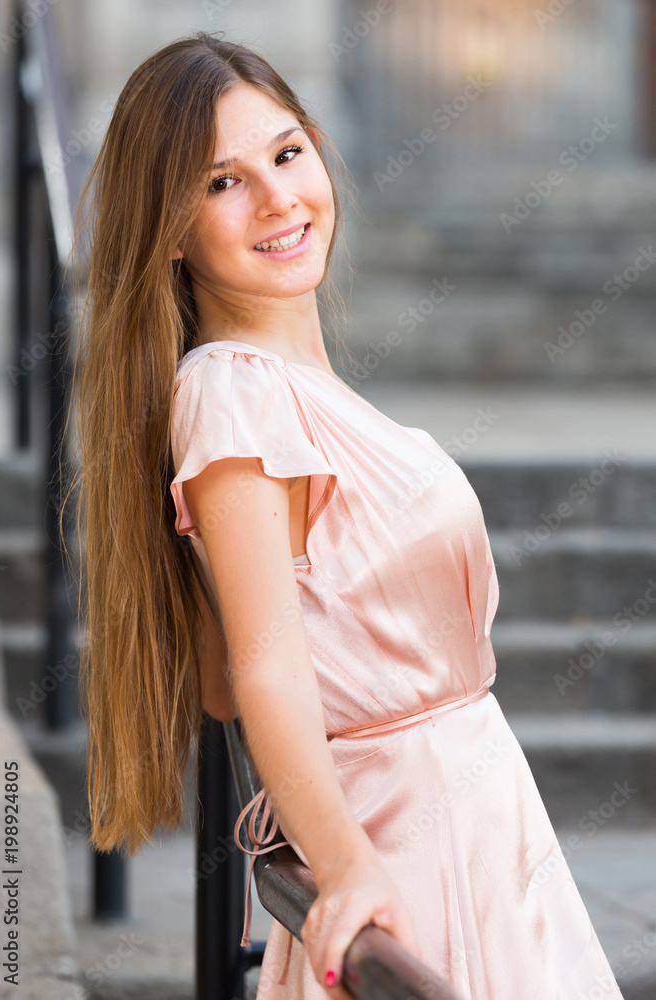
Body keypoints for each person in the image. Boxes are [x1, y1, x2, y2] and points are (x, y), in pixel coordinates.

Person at [68, 30, 625, 1000]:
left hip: (482, 824)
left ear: (319, 148)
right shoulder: (233, 392)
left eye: (285, 153)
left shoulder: (291, 392)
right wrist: (348, 861)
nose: (279, 197)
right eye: (221, 182)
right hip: (410, 838)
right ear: (167, 228)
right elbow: (263, 667)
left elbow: (222, 676)